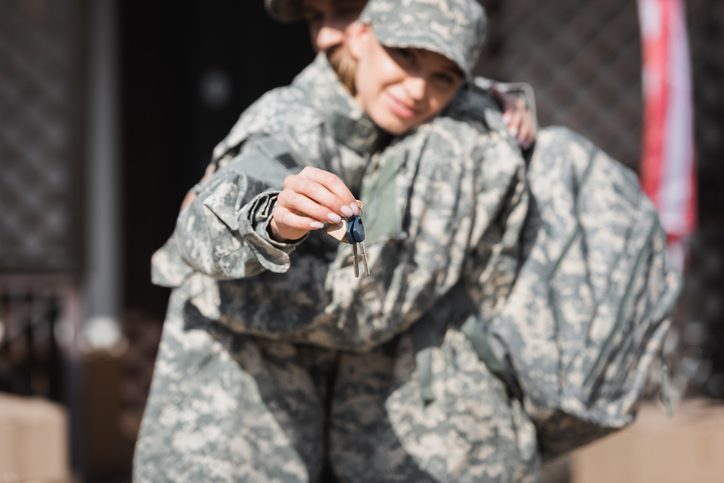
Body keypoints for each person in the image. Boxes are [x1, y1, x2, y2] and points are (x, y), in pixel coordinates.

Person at [135, 0, 538, 481]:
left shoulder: (422, 128)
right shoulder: (298, 117)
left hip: (309, 436)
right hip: (220, 438)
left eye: (442, 77)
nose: (415, 89)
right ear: (362, 36)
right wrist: (271, 218)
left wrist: (496, 103)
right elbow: (218, 208)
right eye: (405, 57)